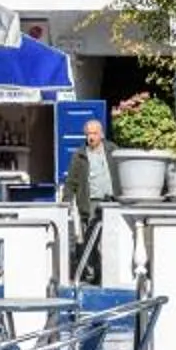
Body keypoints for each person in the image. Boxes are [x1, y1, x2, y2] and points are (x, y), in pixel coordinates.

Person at [62, 114, 115, 282]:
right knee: (91, 239)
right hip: (91, 202)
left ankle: (109, 273)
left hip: (112, 201)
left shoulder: (113, 150)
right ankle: (94, 273)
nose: (91, 137)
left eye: (94, 133)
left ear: (102, 134)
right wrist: (66, 201)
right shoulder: (79, 155)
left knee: (111, 238)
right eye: (88, 134)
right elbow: (71, 181)